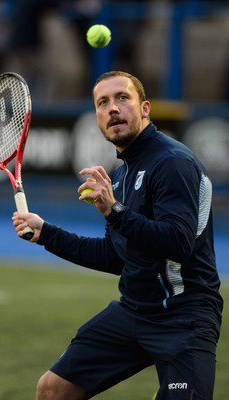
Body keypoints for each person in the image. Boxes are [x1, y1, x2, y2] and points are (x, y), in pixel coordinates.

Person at [12, 71, 223, 400]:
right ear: (96, 116)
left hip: (185, 318)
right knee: (53, 389)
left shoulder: (172, 163)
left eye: (123, 98)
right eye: (103, 102)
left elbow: (178, 243)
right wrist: (46, 234)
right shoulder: (121, 173)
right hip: (134, 311)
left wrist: (114, 211)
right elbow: (116, 256)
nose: (113, 108)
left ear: (145, 109)